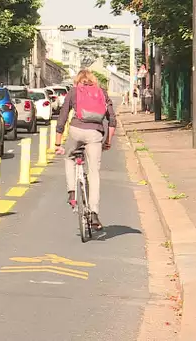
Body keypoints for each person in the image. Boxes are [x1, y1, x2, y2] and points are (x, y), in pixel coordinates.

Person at [54, 69, 116, 229]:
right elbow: (112, 119)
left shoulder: (73, 92)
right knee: (94, 172)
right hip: (95, 134)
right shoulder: (102, 92)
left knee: (69, 157)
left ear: (77, 81)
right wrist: (108, 141)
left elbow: (62, 116)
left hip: (76, 131)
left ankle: (72, 192)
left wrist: (58, 143)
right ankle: (94, 213)